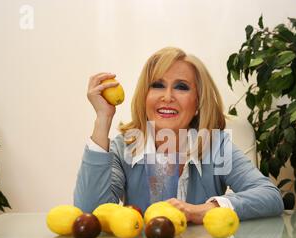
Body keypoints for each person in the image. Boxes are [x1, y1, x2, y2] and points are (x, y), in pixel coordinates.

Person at [74, 47, 283, 224]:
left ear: (198, 102)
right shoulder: (125, 147)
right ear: (144, 95)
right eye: (157, 85)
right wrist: (103, 118)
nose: (167, 97)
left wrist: (204, 210)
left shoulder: (215, 145)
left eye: (181, 87)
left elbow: (269, 196)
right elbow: (89, 213)